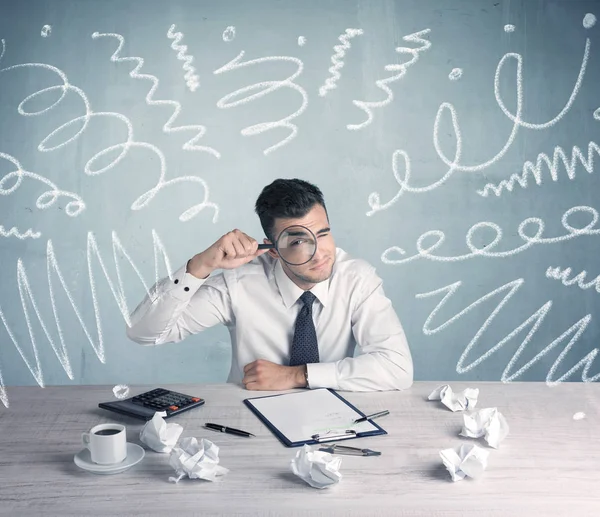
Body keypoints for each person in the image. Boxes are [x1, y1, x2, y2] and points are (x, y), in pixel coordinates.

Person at [126, 178, 413, 391]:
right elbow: (143, 333)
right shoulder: (239, 284)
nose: (321, 252)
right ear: (273, 249)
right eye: (299, 240)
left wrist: (296, 376)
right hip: (247, 417)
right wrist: (200, 265)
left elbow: (397, 368)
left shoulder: (356, 279)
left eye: (323, 234)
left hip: (332, 420)